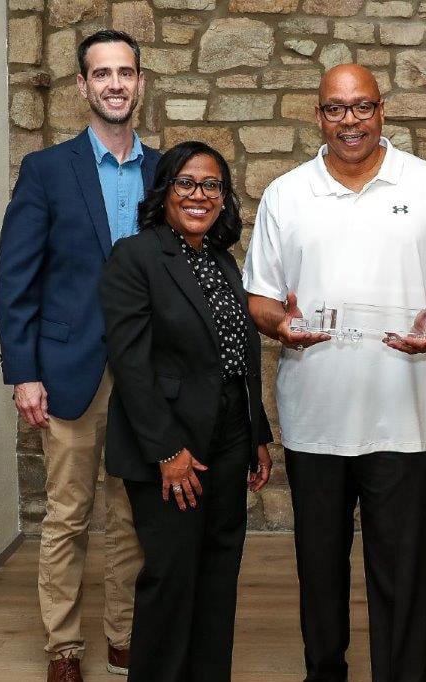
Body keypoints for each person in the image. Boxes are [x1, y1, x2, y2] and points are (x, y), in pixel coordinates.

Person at [243, 64, 426, 682]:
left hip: (400, 419)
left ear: (382, 111)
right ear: (318, 115)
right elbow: (259, 297)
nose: (349, 120)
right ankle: (324, 672)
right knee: (319, 569)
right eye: (336, 108)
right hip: (315, 419)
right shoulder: (286, 194)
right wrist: (281, 326)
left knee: (401, 569)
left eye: (361, 107)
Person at [0, 29, 153, 682]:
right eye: (102, 74)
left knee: (132, 516)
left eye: (126, 72)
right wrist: (24, 372)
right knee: (67, 516)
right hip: (68, 372)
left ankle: (123, 637)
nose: (115, 83)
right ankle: (63, 648)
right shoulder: (47, 171)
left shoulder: (166, 172)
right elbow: (15, 278)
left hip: (145, 375)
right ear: (83, 86)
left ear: (140, 83)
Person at [99, 141, 274, 682]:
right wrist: (168, 452)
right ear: (166, 191)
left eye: (212, 185)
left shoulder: (220, 261)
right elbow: (131, 366)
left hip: (226, 435)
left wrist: (256, 435)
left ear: (223, 198)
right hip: (170, 446)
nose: (200, 195)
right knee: (171, 579)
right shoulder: (136, 256)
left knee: (219, 571)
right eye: (187, 184)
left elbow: (239, 354)